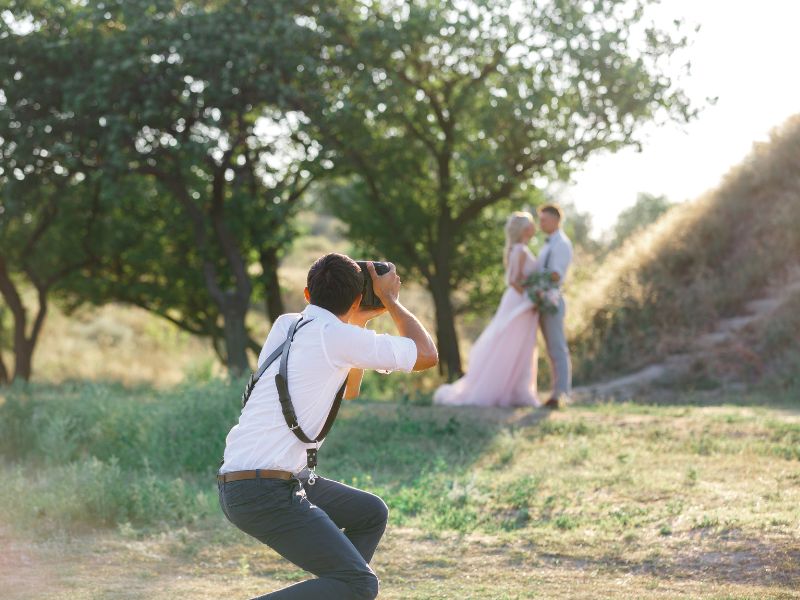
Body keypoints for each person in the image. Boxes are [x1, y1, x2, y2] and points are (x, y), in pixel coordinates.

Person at [218, 253, 438, 600]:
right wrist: (390, 300)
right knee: (359, 583)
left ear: (308, 294)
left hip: (248, 480)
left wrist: (358, 320)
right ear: (354, 299)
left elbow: (348, 389)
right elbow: (427, 355)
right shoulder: (336, 337)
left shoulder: (285, 325)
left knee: (369, 513)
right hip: (264, 489)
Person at [434, 211, 542, 407]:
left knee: (520, 346)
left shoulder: (518, 249)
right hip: (520, 302)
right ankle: (512, 391)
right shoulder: (520, 250)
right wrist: (532, 296)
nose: (534, 228)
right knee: (511, 345)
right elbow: (513, 280)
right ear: (526, 229)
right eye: (532, 225)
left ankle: (518, 389)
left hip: (521, 301)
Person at [536, 204, 574, 409]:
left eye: (544, 219)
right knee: (550, 349)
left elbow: (555, 275)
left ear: (556, 219)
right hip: (541, 299)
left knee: (557, 347)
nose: (540, 223)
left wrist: (531, 279)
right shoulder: (547, 244)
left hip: (552, 300)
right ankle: (555, 392)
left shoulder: (562, 244)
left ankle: (562, 393)